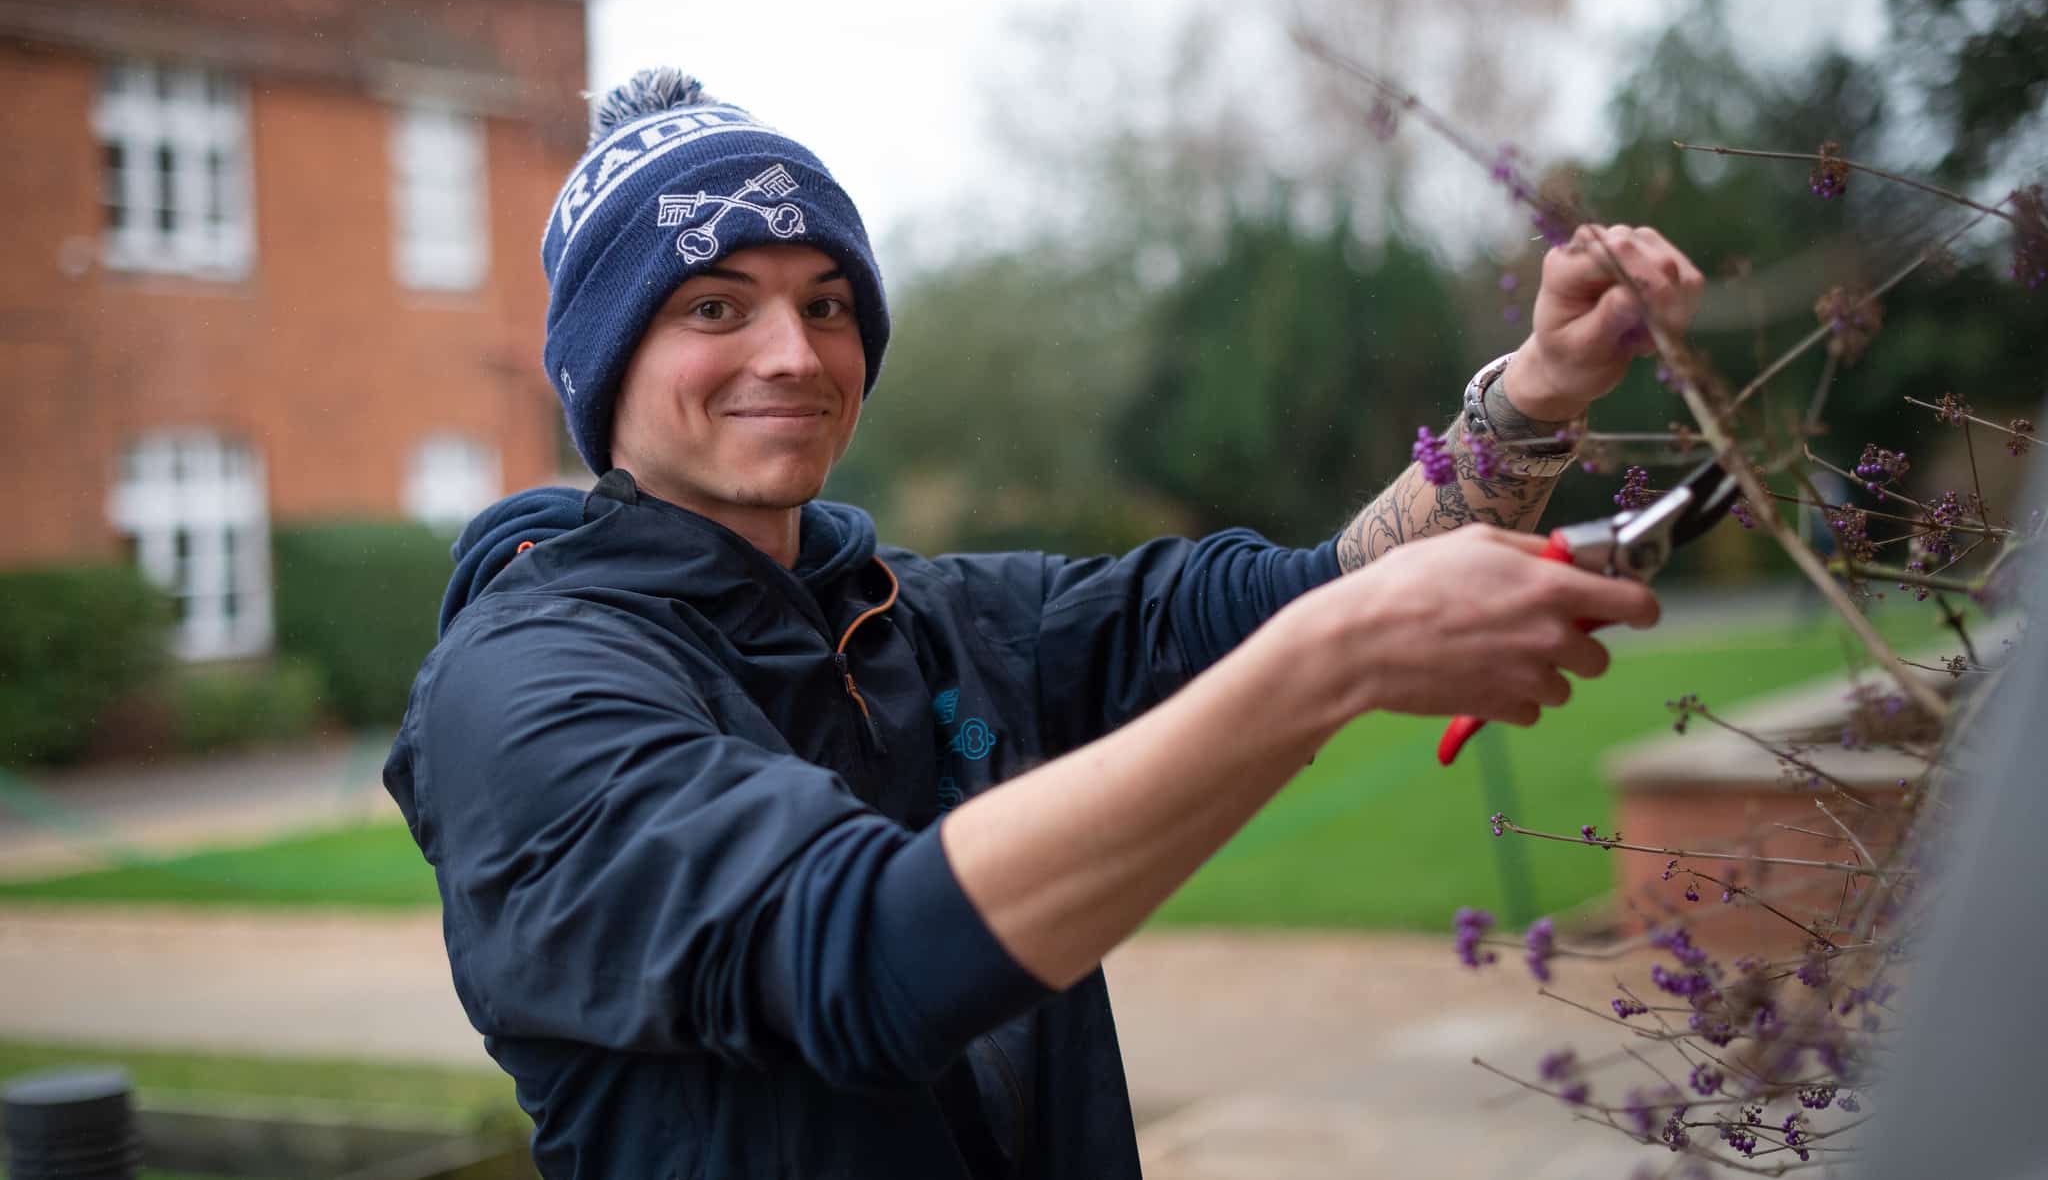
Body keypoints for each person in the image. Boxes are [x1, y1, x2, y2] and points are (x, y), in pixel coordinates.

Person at [384, 68, 1703, 1180]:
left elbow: (1300, 592)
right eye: (712, 306)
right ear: (601, 370)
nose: (792, 352)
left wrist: (1528, 401)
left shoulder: (927, 618)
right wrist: (1336, 660)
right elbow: (863, 958)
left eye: (826, 303)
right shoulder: (522, 692)